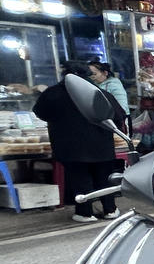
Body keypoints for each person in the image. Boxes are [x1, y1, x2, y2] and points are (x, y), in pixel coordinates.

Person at [33, 64, 118, 222]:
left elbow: (40, 112)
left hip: (70, 146)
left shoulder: (52, 94)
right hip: (101, 146)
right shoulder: (99, 92)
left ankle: (85, 213)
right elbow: (118, 116)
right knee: (103, 178)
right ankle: (110, 210)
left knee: (80, 179)